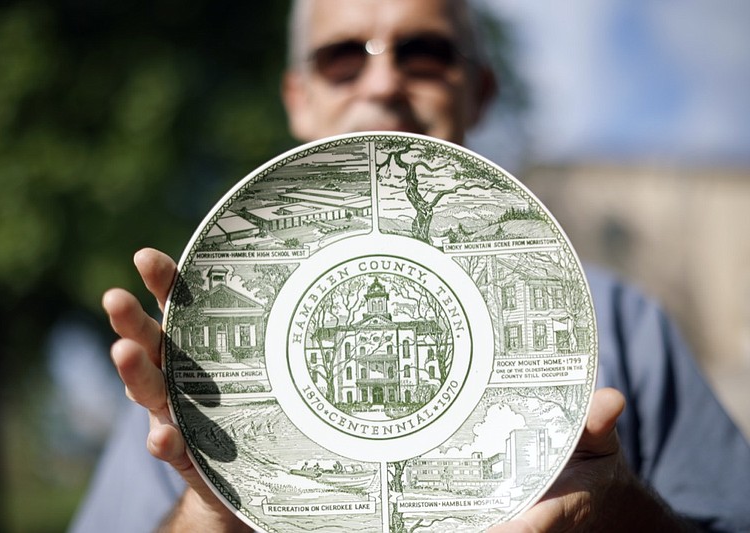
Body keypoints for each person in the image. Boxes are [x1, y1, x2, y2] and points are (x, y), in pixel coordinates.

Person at [70, 0, 750, 531]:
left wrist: (621, 512)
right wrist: (211, 512)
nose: (384, 78)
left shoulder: (623, 325)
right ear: (298, 96)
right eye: (342, 56)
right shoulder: (201, 363)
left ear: (480, 91)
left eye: (424, 52)